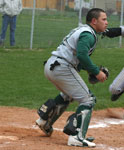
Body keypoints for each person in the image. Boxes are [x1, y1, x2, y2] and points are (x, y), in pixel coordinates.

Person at [35, 8, 108, 147]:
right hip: (62, 67)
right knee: (88, 99)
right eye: (103, 19)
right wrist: (96, 72)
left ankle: (45, 122)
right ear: (94, 21)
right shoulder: (88, 35)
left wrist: (91, 70)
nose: (106, 22)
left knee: (67, 95)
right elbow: (81, 55)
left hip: (53, 65)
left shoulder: (82, 30)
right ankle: (77, 137)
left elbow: (78, 58)